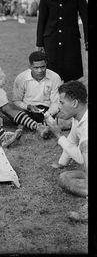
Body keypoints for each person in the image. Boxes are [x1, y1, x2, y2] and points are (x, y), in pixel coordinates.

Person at [36, 0, 88, 83]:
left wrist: (87, 40)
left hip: (71, 40)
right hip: (51, 40)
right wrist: (39, 43)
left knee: (71, 75)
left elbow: (86, 17)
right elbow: (41, 21)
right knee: (52, 75)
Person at [46, 81, 88, 222]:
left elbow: (82, 160)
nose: (59, 107)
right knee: (65, 178)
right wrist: (61, 163)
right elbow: (71, 139)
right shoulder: (79, 117)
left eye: (62, 103)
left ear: (75, 103)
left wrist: (58, 135)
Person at [12, 51, 62, 124]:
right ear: (30, 67)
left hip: (48, 109)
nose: (40, 70)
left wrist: (48, 115)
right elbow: (16, 101)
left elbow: (56, 102)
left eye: (42, 67)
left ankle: (31, 124)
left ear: (46, 64)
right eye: (36, 68)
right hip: (28, 109)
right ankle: (39, 124)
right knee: (11, 110)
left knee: (66, 113)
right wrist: (28, 107)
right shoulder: (21, 78)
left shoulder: (55, 77)